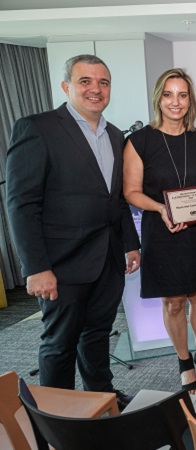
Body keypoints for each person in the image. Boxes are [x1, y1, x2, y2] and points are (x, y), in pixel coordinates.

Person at [5, 54, 140, 406]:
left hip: (107, 261)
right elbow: (21, 204)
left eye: (103, 82)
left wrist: (131, 244)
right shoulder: (38, 128)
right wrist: (36, 267)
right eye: (86, 81)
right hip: (61, 264)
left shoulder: (114, 134)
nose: (96, 89)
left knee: (96, 335)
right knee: (59, 342)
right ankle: (58, 410)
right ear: (67, 86)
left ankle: (101, 396)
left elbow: (117, 200)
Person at [123, 68, 196, 393]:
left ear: (190, 100)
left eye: (182, 95)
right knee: (173, 302)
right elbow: (131, 191)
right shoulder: (139, 141)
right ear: (159, 98)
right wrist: (161, 208)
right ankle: (184, 362)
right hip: (163, 230)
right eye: (169, 94)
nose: (175, 102)